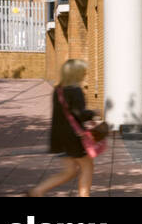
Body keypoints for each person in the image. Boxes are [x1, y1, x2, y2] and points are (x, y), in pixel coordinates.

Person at [28, 59, 104, 198]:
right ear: (76, 74)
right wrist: (95, 113)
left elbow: (60, 115)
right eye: (83, 72)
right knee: (87, 167)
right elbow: (79, 114)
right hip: (74, 137)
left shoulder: (58, 90)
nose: (85, 75)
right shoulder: (76, 91)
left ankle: (37, 191)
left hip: (59, 137)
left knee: (69, 171)